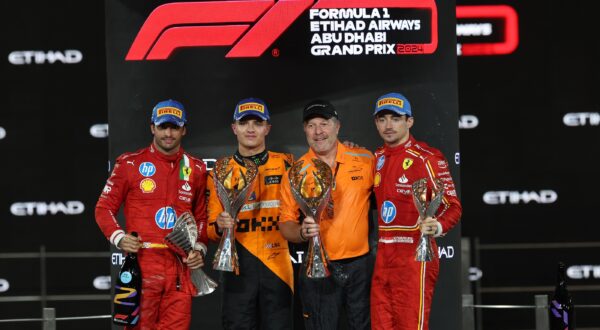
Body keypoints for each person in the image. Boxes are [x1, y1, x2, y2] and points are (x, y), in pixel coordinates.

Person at [95, 99, 208, 329]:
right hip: (142, 266)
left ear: (183, 129)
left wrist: (199, 249)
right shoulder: (130, 164)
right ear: (152, 128)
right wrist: (119, 237)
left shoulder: (196, 168)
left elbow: (202, 218)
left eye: (174, 127)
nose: (168, 133)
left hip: (180, 269)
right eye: (163, 126)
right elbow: (103, 208)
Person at [279, 100, 374, 330]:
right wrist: (301, 232)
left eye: (324, 123)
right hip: (317, 266)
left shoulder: (365, 159)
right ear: (304, 129)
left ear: (337, 126)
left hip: (359, 266)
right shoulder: (295, 172)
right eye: (311, 125)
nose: (318, 131)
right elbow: (285, 223)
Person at [370, 92, 462, 330]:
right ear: (376, 123)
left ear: (409, 121)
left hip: (415, 259)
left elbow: (453, 206)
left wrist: (438, 225)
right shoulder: (376, 158)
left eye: (396, 118)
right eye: (382, 119)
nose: (388, 125)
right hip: (383, 259)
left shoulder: (427, 158)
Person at [206, 98, 294, 329]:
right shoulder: (220, 170)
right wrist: (219, 224)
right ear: (234, 128)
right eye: (245, 123)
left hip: (278, 268)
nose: (251, 129)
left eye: (258, 122)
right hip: (237, 267)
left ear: (267, 128)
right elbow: (210, 229)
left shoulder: (287, 164)